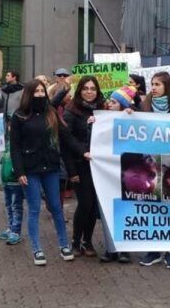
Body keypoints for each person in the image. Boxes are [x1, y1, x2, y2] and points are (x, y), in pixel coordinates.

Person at [10, 79, 87, 266]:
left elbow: (66, 137)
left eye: (42, 91)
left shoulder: (50, 112)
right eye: (36, 91)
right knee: (34, 209)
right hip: (30, 169)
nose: (39, 94)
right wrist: (19, 171)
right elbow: (15, 146)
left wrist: (83, 151)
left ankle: (64, 245)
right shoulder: (19, 116)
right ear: (29, 94)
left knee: (56, 207)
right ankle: (37, 249)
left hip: (51, 167)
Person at [138, 71, 170, 269]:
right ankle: (154, 249)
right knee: (153, 206)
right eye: (152, 84)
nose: (154, 87)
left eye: (157, 84)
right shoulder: (145, 105)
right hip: (151, 162)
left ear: (166, 86)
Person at [64, 75, 106, 258]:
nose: (89, 92)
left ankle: (87, 241)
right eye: (86, 88)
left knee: (92, 205)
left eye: (93, 88)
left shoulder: (103, 109)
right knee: (85, 203)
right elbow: (66, 140)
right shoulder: (71, 111)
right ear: (80, 90)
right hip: (80, 164)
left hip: (99, 165)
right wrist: (80, 155)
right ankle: (75, 241)